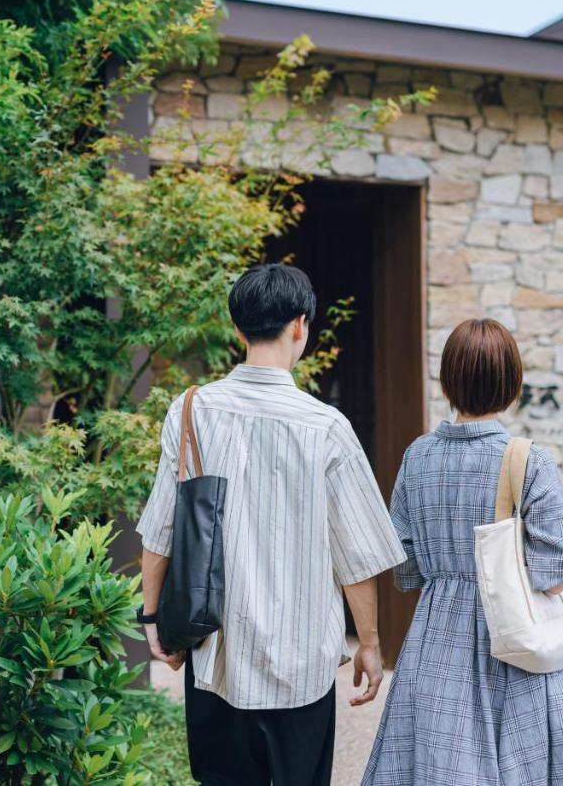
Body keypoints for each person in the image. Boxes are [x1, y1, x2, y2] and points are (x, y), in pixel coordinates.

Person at [137, 262, 406, 786]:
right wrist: (369, 644)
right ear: (300, 325)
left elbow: (161, 529)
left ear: (238, 330)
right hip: (301, 665)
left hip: (215, 654)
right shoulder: (327, 426)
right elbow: (357, 555)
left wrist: (153, 620)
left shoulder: (191, 410)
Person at [362, 318, 563, 786]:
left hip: (433, 636)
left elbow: (406, 571)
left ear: (449, 381)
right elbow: (553, 576)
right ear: (512, 383)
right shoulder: (530, 460)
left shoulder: (417, 456)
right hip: (507, 634)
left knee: (436, 761)